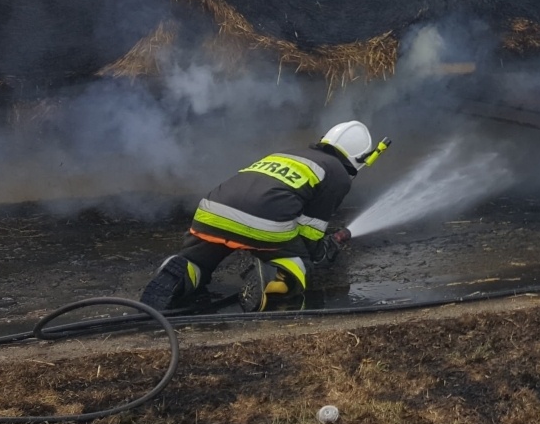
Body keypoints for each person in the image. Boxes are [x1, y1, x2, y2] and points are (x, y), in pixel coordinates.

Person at [140, 121, 389, 312]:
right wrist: (323, 251)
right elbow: (309, 231)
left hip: (210, 211)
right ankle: (271, 279)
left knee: (201, 258)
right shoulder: (337, 173)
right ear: (360, 157)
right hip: (262, 222)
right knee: (299, 264)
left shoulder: (290, 153)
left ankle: (179, 272)